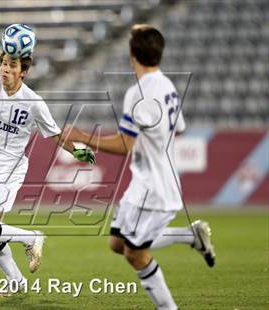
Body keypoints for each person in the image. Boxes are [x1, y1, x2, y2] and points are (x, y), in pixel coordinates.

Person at [63, 24, 215, 310]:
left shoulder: (139, 92)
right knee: (117, 243)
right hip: (145, 182)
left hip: (155, 189)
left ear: (132, 54)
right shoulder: (167, 85)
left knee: (135, 253)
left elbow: (124, 145)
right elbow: (179, 128)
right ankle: (189, 236)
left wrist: (83, 137)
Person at [0, 26, 95, 298]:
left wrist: (76, 151)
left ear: (23, 71)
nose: (4, 69)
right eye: (3, 63)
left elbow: (56, 134)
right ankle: (16, 282)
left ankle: (32, 237)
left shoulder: (33, 102)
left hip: (10, 170)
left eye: (11, 65)